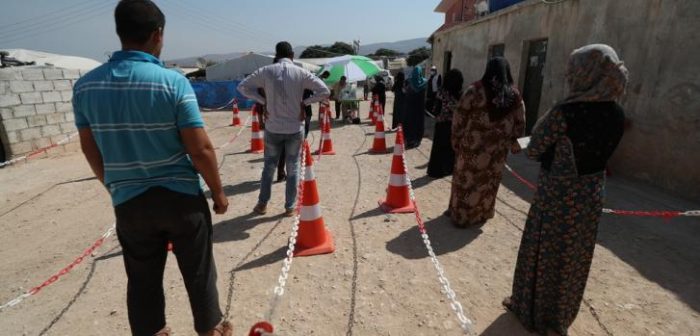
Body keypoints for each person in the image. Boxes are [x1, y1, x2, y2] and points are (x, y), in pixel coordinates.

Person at [72, 1, 231, 335]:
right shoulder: (172, 83)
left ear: (119, 33)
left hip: (130, 203)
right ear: (158, 34)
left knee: (142, 282)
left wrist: (114, 185)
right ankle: (211, 330)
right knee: (199, 274)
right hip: (182, 199)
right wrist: (218, 192)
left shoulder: (85, 88)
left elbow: (90, 149)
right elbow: (200, 149)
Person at [504, 44, 628, 336]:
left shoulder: (565, 112)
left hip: (557, 197)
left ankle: (531, 310)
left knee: (544, 253)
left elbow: (534, 149)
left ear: (584, 73)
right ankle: (558, 317)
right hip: (591, 195)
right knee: (574, 258)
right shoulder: (617, 113)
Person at [238, 41, 330, 217]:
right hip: (295, 127)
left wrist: (263, 101)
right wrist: (305, 103)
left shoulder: (265, 71)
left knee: (269, 166)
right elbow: (324, 91)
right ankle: (289, 207)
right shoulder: (302, 72)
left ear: (276, 54)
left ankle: (262, 204)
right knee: (293, 167)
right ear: (292, 56)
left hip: (273, 127)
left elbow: (242, 87)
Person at [449, 57, 525, 228]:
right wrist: (515, 141)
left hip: (472, 147)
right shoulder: (514, 94)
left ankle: (462, 216)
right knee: (489, 181)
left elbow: (459, 116)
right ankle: (483, 213)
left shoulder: (474, 90)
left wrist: (456, 138)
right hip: (498, 150)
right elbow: (520, 121)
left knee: (466, 180)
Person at [427, 69, 463, 178]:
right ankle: (447, 169)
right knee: (450, 148)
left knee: (438, 147)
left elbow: (436, 107)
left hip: (441, 123)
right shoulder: (459, 94)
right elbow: (458, 109)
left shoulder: (441, 91)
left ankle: (435, 170)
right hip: (452, 124)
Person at [403, 66, 427, 149]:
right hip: (419, 108)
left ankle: (409, 140)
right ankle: (417, 140)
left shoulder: (409, 82)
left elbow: (405, 93)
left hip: (410, 108)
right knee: (418, 124)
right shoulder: (425, 82)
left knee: (410, 123)